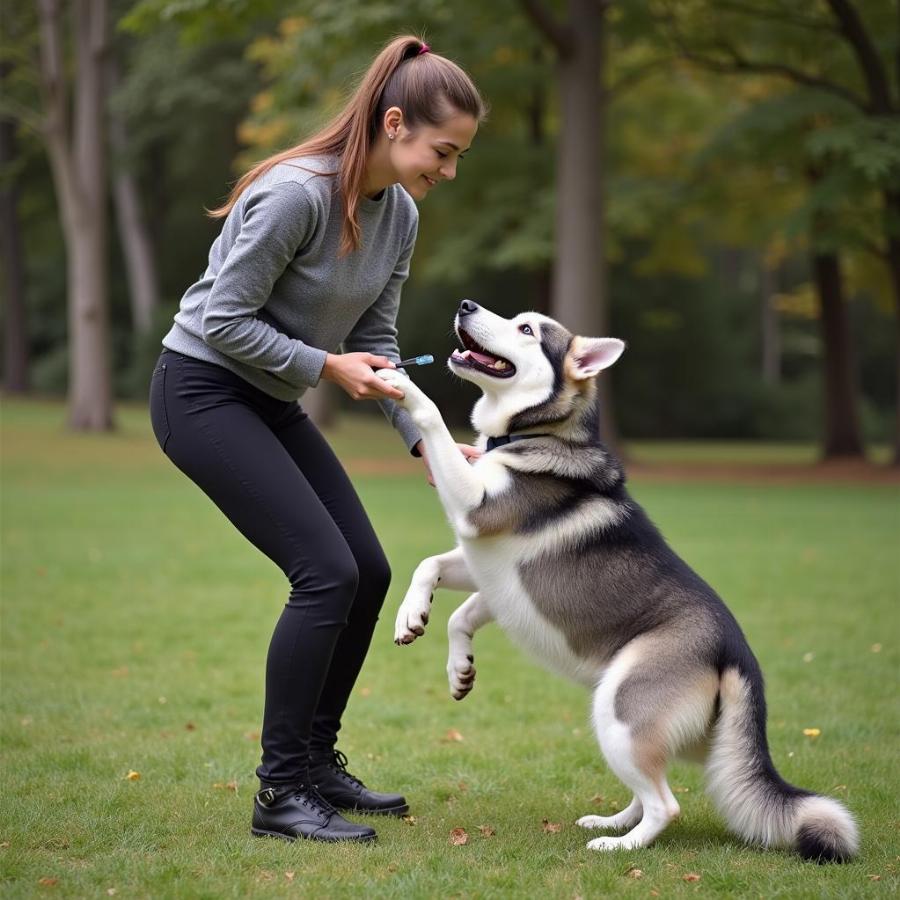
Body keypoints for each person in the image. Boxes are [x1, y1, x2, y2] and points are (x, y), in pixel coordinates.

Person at [148, 35, 484, 843]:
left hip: (267, 397)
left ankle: (315, 763)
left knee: (367, 570)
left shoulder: (396, 213)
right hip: (199, 392)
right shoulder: (295, 195)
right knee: (325, 572)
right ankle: (279, 793)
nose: (449, 170)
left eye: (460, 155)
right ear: (395, 123)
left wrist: (423, 440)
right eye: (443, 150)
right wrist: (327, 367)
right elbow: (221, 320)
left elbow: (380, 337)